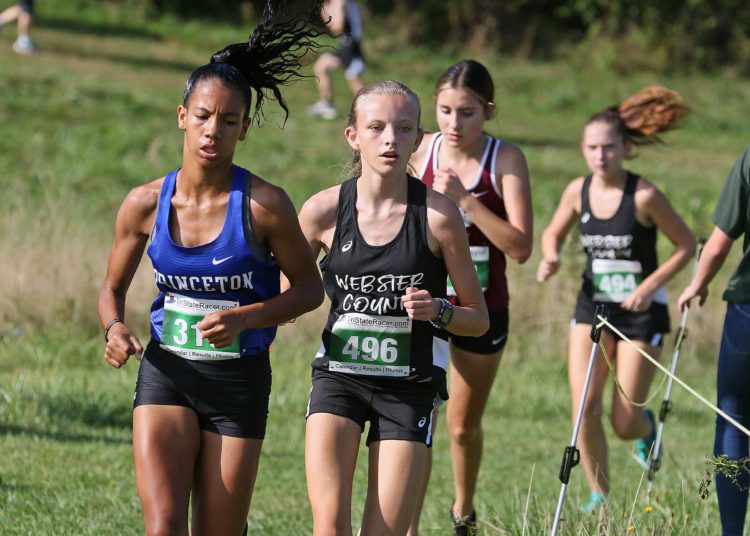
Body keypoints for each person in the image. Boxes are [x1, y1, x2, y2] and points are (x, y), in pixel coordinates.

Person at [97, 3, 325, 534]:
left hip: (238, 382)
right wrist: (113, 327)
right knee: (164, 527)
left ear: (245, 129)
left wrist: (248, 318)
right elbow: (111, 287)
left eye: (228, 120)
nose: (212, 130)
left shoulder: (265, 204)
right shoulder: (144, 203)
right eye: (202, 115)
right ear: (182, 116)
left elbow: (310, 289)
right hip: (167, 371)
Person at [297, 80, 489, 535]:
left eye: (404, 129)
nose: (390, 140)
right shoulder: (322, 211)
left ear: (418, 139)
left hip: (407, 387)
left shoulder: (439, 217)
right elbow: (287, 294)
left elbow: (478, 320)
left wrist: (438, 311)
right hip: (339, 378)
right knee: (328, 527)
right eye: (377, 127)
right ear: (353, 135)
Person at [536, 86, 695, 512]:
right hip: (593, 309)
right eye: (592, 147)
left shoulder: (643, 196)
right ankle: (598, 494)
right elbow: (553, 232)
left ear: (625, 148)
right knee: (583, 408)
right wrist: (550, 256)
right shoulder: (577, 191)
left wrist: (648, 286)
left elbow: (685, 246)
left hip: (641, 313)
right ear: (583, 150)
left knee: (623, 421)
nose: (600, 155)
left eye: (608, 147)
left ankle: (643, 431)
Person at [407, 59, 533, 535]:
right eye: (444, 111)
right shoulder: (422, 150)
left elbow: (520, 247)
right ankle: (408, 524)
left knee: (461, 425)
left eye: (467, 113)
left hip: (484, 307)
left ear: (489, 112)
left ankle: (463, 512)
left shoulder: (505, 159)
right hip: (426, 306)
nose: (453, 124)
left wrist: (465, 201)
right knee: (421, 420)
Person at [678, 146, 750, 536]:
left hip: (747, 314)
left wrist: (697, 284)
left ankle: (731, 532)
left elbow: (719, 243)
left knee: (734, 423)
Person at [307, 0, 365, 120]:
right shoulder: (347, 3)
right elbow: (364, 15)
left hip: (351, 46)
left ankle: (372, 108)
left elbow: (337, 27)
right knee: (321, 66)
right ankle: (327, 104)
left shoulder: (338, 3)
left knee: (355, 82)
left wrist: (327, 14)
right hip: (347, 44)